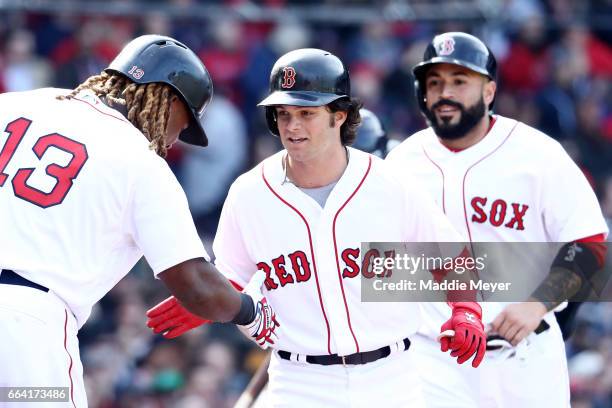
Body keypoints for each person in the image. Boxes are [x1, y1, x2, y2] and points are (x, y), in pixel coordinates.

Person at [146, 48, 487, 407]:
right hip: (298, 382)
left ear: (339, 115)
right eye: (283, 114)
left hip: (392, 378)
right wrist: (209, 298)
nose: (292, 126)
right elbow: (233, 276)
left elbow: (453, 258)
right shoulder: (249, 194)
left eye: (307, 113)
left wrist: (466, 311)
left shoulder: (389, 183)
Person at [0, 35, 277, 407]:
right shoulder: (139, 160)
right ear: (170, 99)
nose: (178, 137)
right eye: (185, 121)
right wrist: (251, 312)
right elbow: (195, 284)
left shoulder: (16, 103)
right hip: (24, 328)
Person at [385, 31, 608, 407]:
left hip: (525, 358)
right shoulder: (401, 164)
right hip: (435, 361)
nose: (445, 92)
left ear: (489, 92)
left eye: (460, 81)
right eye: (434, 82)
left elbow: (589, 245)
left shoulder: (538, 155)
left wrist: (538, 302)